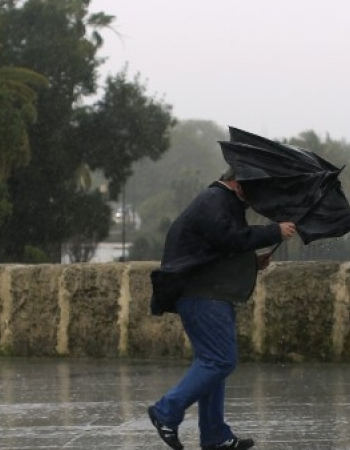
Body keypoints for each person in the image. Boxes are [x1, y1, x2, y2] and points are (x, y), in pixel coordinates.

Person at [148, 166, 296, 450]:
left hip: (206, 293)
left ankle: (215, 436)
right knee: (220, 360)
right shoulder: (214, 200)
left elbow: (215, 251)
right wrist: (274, 231)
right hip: (203, 296)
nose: (257, 197)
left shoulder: (223, 203)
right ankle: (166, 411)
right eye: (254, 187)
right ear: (237, 182)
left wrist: (253, 263)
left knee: (213, 363)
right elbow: (231, 238)